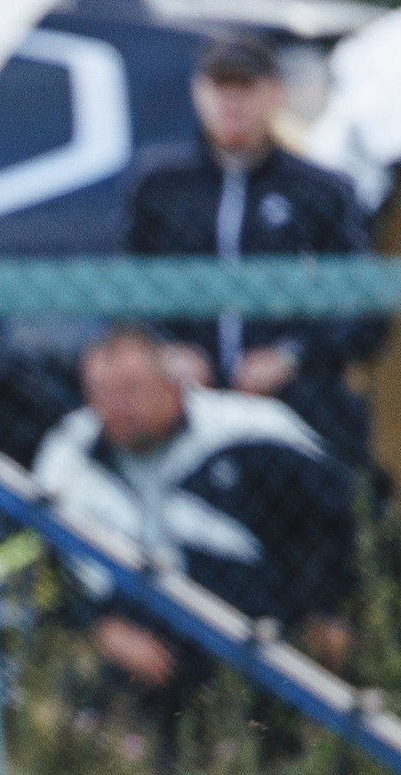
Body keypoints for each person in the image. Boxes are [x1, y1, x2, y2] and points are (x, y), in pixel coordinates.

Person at [32, 324, 355, 734]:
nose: (115, 407)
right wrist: (100, 627)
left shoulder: (252, 430)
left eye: (131, 389)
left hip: (271, 640)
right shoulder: (68, 461)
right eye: (100, 394)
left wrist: (327, 611)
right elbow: (43, 565)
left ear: (170, 383)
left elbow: (341, 524)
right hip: (146, 657)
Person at [124, 35, 384, 469]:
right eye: (219, 87)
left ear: (275, 93)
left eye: (245, 87)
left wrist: (292, 354)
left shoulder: (321, 190)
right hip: (181, 405)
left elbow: (362, 308)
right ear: (197, 92)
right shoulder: (158, 186)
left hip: (295, 405)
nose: (232, 102)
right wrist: (165, 350)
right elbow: (120, 290)